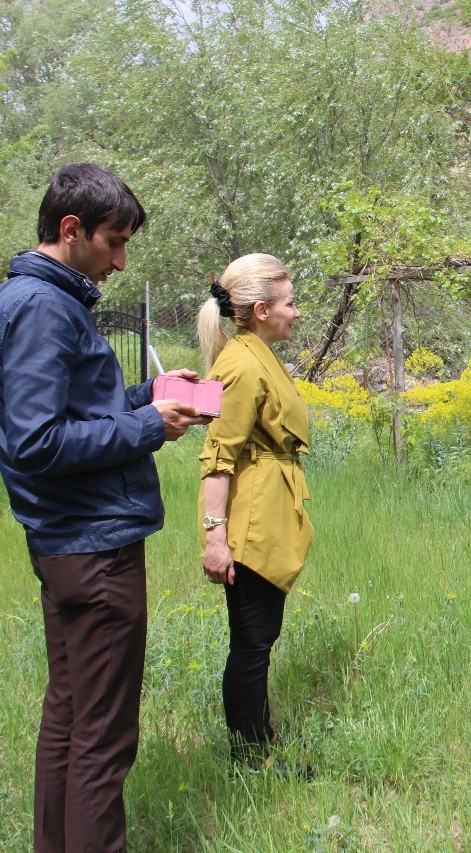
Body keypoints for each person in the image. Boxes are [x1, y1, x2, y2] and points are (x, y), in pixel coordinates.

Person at [0, 163, 210, 852]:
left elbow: (70, 411)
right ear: (70, 229)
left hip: (68, 542)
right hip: (93, 548)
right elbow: (37, 440)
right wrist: (149, 429)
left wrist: (150, 394)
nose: (119, 259)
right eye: (113, 241)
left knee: (72, 713)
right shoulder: (45, 308)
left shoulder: (32, 300)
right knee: (104, 736)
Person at [195, 253, 314, 773]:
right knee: (251, 641)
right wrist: (215, 538)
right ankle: (250, 759)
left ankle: (261, 738)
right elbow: (218, 458)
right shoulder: (242, 365)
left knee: (259, 637)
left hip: (269, 507)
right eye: (290, 303)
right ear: (262, 310)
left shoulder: (256, 351)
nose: (297, 312)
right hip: (250, 520)